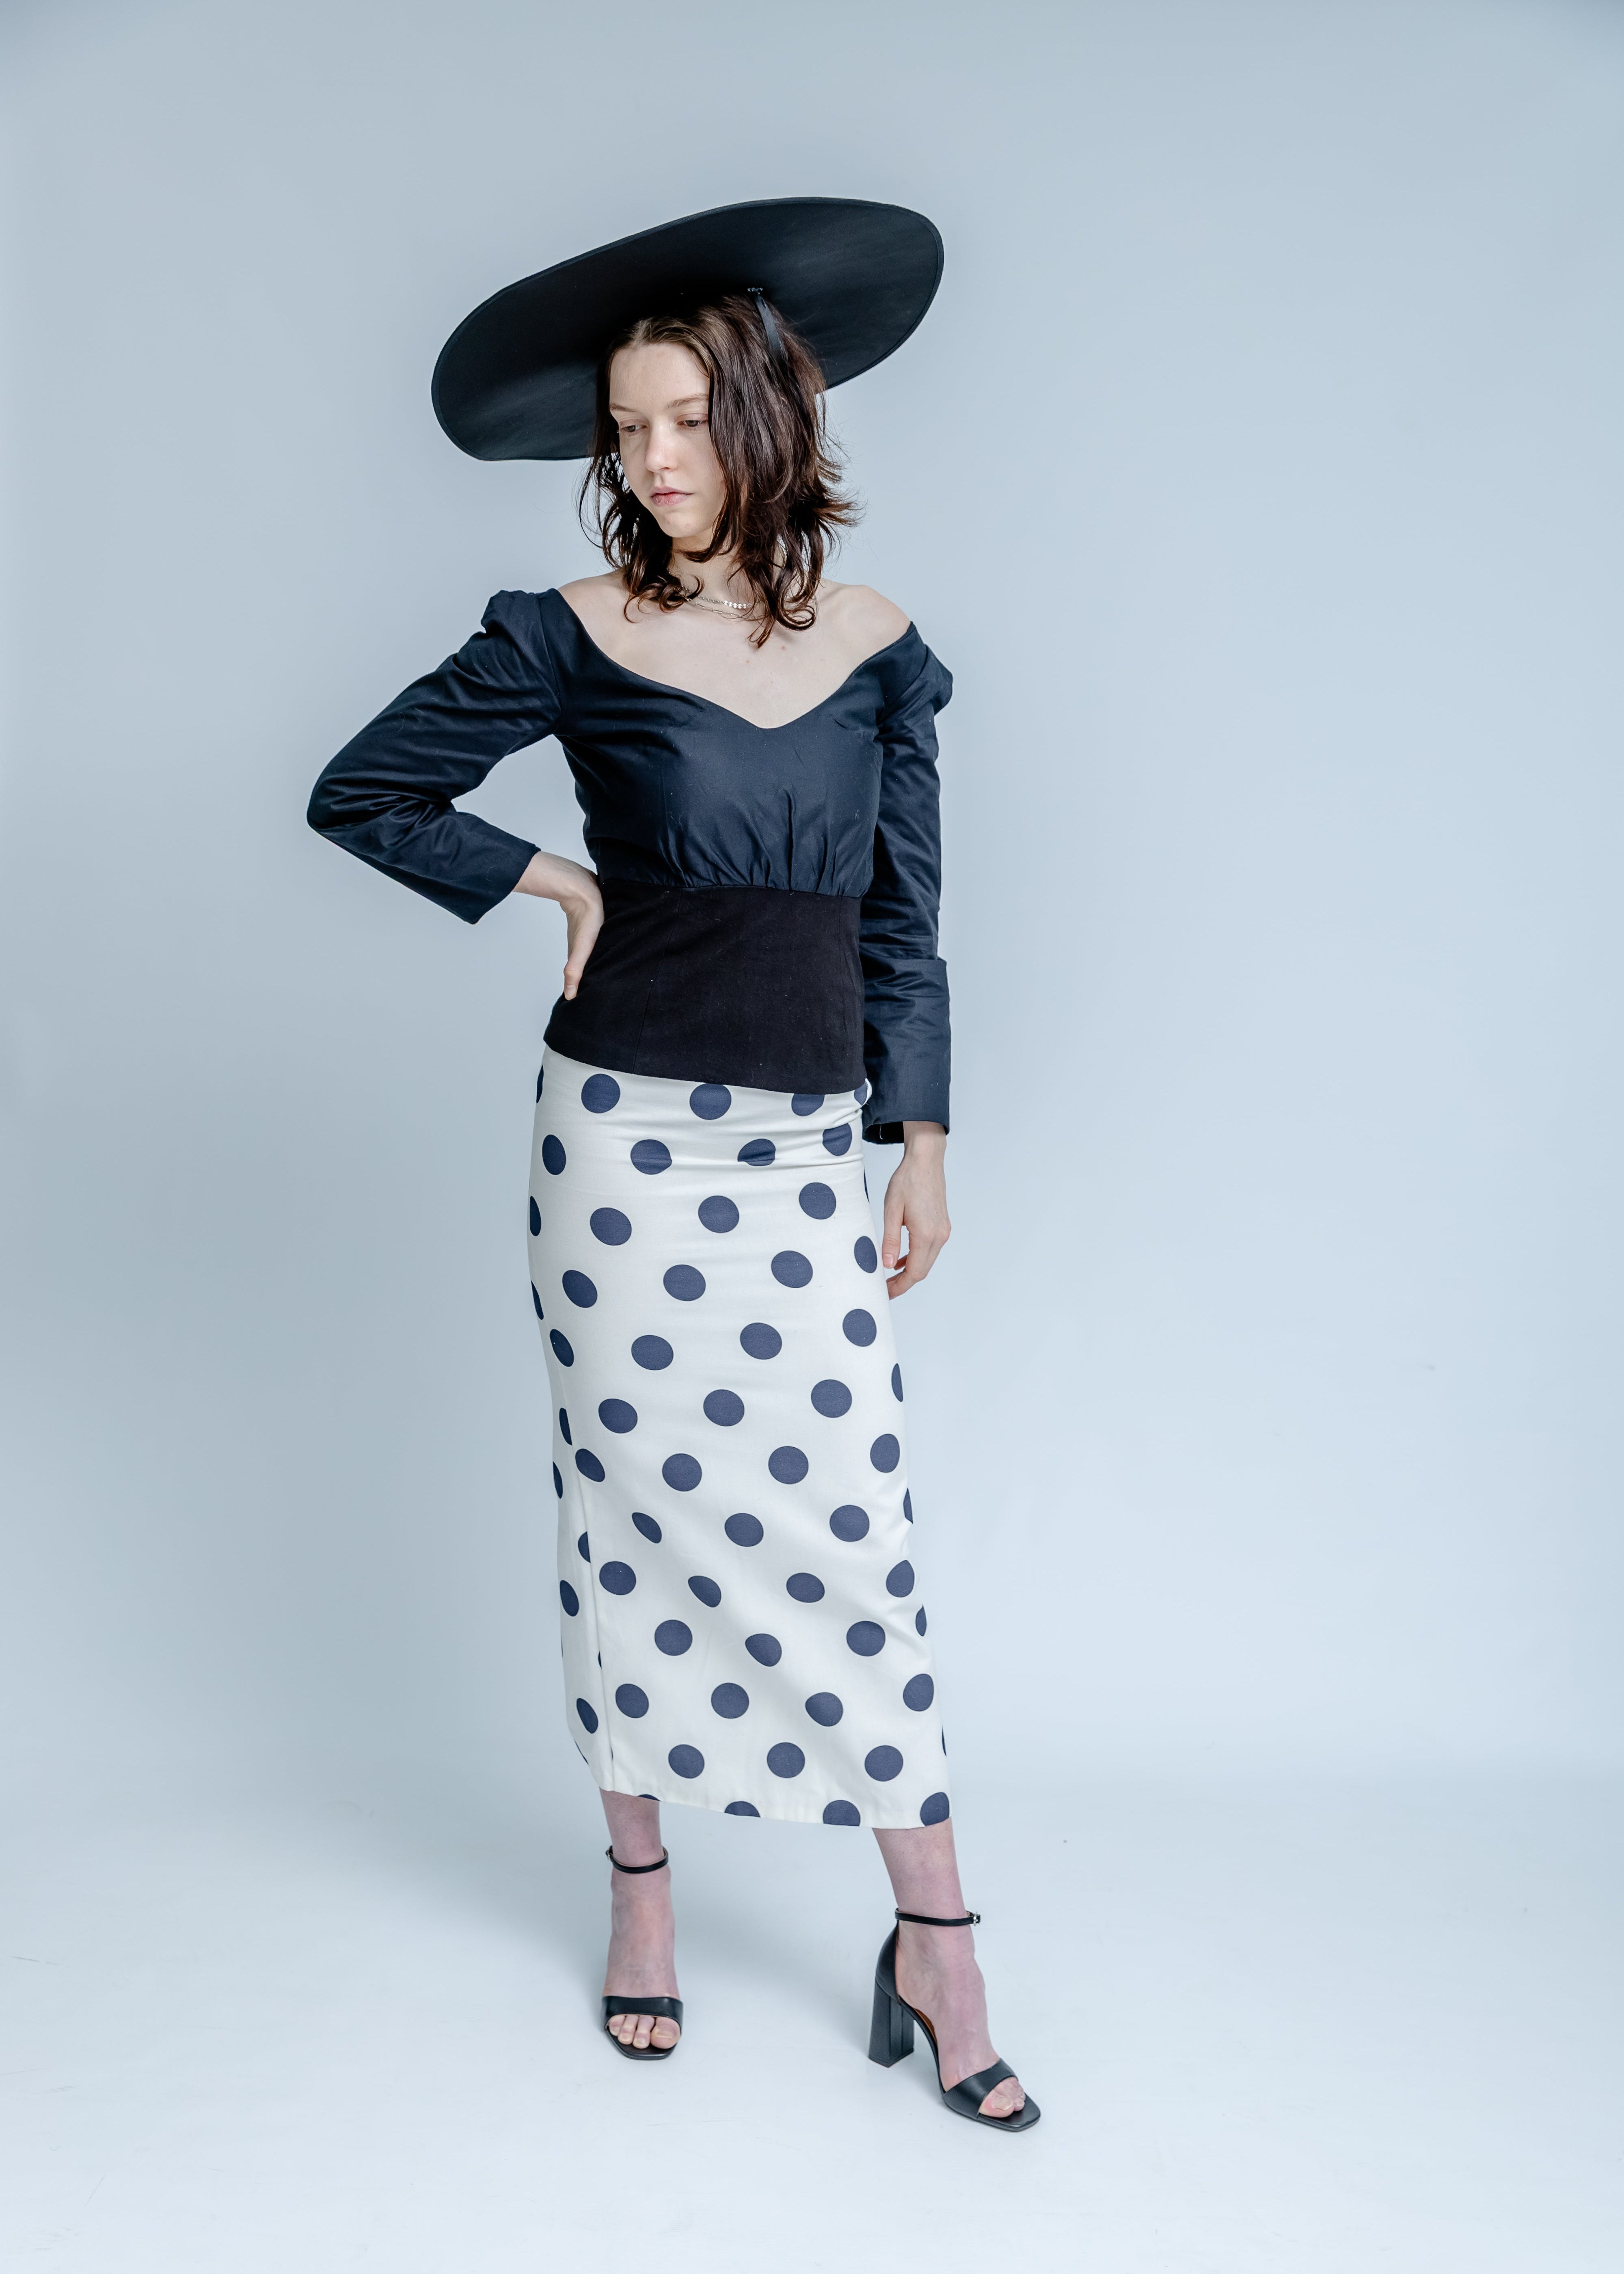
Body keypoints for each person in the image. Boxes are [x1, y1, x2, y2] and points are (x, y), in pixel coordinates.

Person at [307, 201, 1036, 2131]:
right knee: (632, 1520)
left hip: (805, 1149)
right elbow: (360, 788)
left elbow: (905, 925)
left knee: (849, 1543)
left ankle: (937, 1937)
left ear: (769, 415)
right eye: (625, 429)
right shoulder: (570, 633)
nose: (648, 460)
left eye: (684, 419)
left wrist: (923, 1141)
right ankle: (643, 1891)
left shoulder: (884, 653)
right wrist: (544, 876)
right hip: (620, 1147)